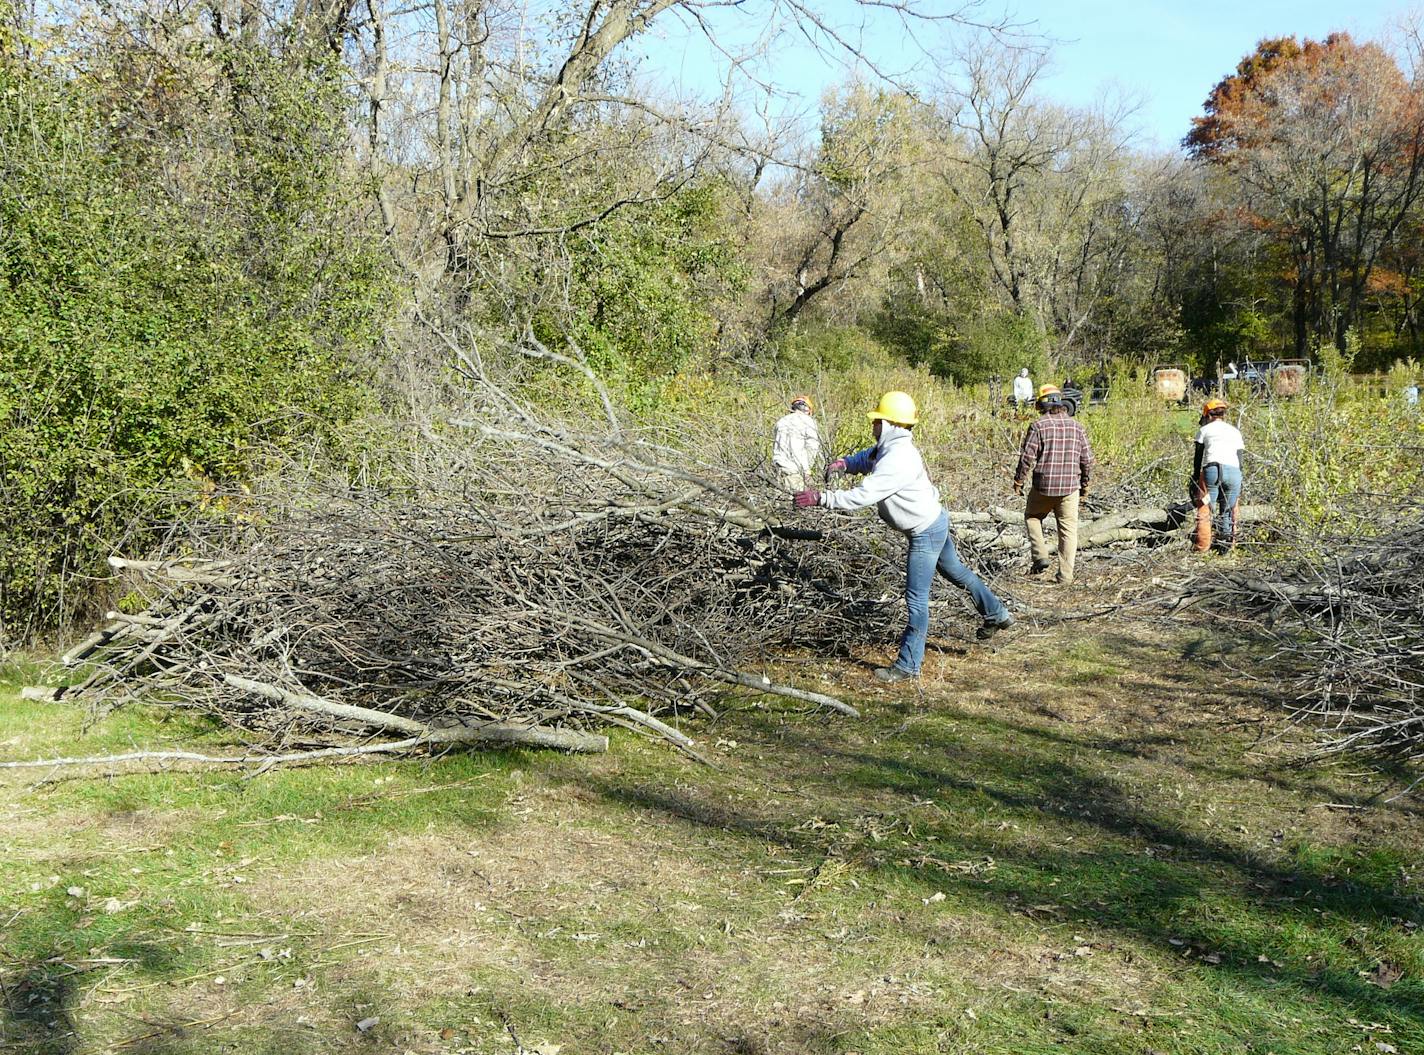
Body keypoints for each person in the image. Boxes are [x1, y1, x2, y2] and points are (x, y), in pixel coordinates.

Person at [791, 391, 1014, 684]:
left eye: (878, 421)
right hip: (934, 520)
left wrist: (822, 498)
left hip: (925, 531)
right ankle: (996, 613)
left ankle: (908, 665)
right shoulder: (891, 447)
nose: (873, 426)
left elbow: (864, 495)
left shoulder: (899, 458)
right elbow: (869, 458)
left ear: (890, 424)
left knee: (917, 599)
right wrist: (846, 464)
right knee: (957, 571)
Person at [1013, 384, 1095, 584]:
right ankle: (1065, 577)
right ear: (1061, 403)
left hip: (1043, 486)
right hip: (1070, 488)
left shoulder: (1038, 426)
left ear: (1041, 405)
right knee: (1068, 531)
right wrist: (1085, 484)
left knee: (1032, 517)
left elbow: (1027, 457)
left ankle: (1040, 555)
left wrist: (1019, 480)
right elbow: (1088, 460)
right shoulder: (1077, 427)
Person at [1192, 398, 1245, 551]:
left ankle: (1202, 547)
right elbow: (1240, 458)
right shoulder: (1235, 431)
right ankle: (1226, 547)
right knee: (1229, 511)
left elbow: (1198, 457)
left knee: (1205, 509)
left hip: (1212, 470)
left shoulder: (1204, 430)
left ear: (1207, 415)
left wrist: (1196, 477)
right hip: (1234, 471)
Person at [771, 395, 822, 492]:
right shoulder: (808, 422)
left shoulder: (781, 422)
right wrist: (807, 470)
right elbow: (813, 447)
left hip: (777, 469)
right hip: (795, 471)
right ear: (808, 410)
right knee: (797, 503)